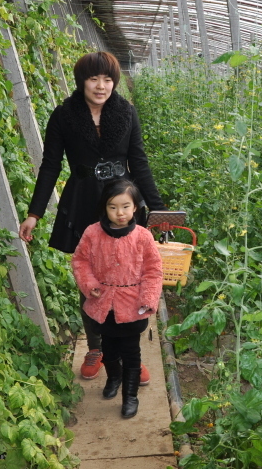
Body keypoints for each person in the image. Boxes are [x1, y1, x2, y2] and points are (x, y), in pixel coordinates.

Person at [19, 51, 165, 384]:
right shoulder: (64, 116)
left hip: (123, 203)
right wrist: (34, 213)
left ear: (114, 82)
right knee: (90, 280)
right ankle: (97, 347)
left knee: (129, 279)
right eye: (93, 79)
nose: (101, 86)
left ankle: (129, 353)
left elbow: (139, 163)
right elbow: (51, 166)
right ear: (81, 81)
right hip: (83, 201)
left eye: (108, 79)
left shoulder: (126, 113)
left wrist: (157, 210)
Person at [71, 180, 162, 418]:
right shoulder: (92, 233)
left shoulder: (143, 237)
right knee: (108, 349)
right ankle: (113, 378)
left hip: (133, 305)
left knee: (132, 352)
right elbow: (80, 261)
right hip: (103, 304)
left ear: (135, 208)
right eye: (113, 207)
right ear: (104, 208)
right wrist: (90, 285)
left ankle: (130, 397)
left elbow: (153, 270)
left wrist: (148, 297)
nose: (119, 213)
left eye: (125, 206)